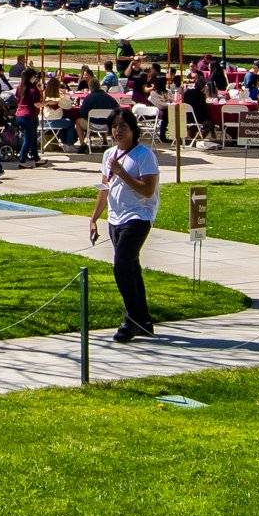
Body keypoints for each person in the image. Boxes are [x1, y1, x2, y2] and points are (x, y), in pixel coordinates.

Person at [85, 108, 160, 342]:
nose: (118, 131)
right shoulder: (109, 154)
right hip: (115, 218)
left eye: (123, 126)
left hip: (138, 216)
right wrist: (94, 218)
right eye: (114, 126)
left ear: (133, 129)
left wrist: (123, 174)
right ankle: (144, 320)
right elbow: (104, 187)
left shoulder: (144, 155)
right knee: (131, 269)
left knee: (121, 266)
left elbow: (148, 190)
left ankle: (132, 319)